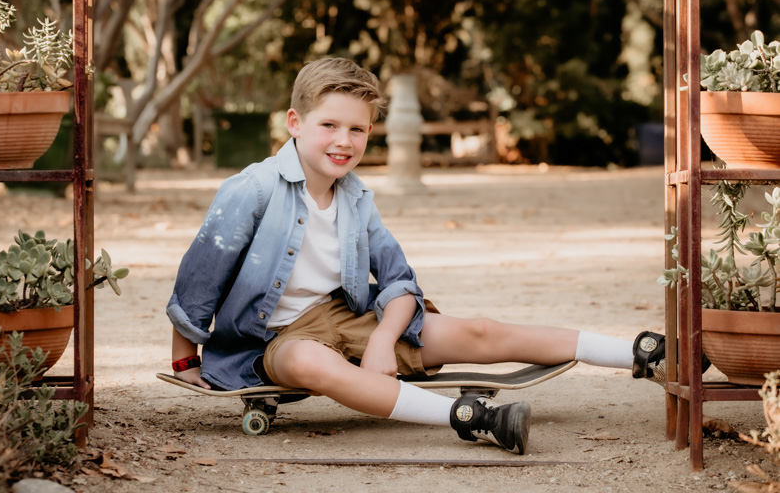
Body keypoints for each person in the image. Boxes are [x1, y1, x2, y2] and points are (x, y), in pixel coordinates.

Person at [166, 57, 668, 455]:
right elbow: (198, 281)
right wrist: (185, 358)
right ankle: (470, 418)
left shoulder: (356, 197)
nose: (344, 142)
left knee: (479, 330)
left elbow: (399, 282)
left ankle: (642, 353)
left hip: (344, 317)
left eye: (358, 130)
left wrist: (385, 339)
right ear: (295, 122)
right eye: (329, 125)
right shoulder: (251, 189)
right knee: (312, 364)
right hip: (271, 341)